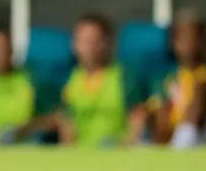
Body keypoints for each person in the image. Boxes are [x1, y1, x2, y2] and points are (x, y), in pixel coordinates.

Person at [57, 14, 147, 146]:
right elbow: (65, 122)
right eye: (82, 41)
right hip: (81, 156)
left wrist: (126, 147)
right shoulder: (68, 80)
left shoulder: (124, 77)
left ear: (106, 43)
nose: (88, 47)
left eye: (93, 41)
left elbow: (137, 119)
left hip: (116, 153)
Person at [148, 11, 206, 148]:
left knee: (200, 89)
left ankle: (185, 141)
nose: (190, 43)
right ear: (174, 42)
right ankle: (180, 142)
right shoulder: (164, 78)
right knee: (156, 109)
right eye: (184, 37)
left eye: (196, 37)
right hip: (172, 133)